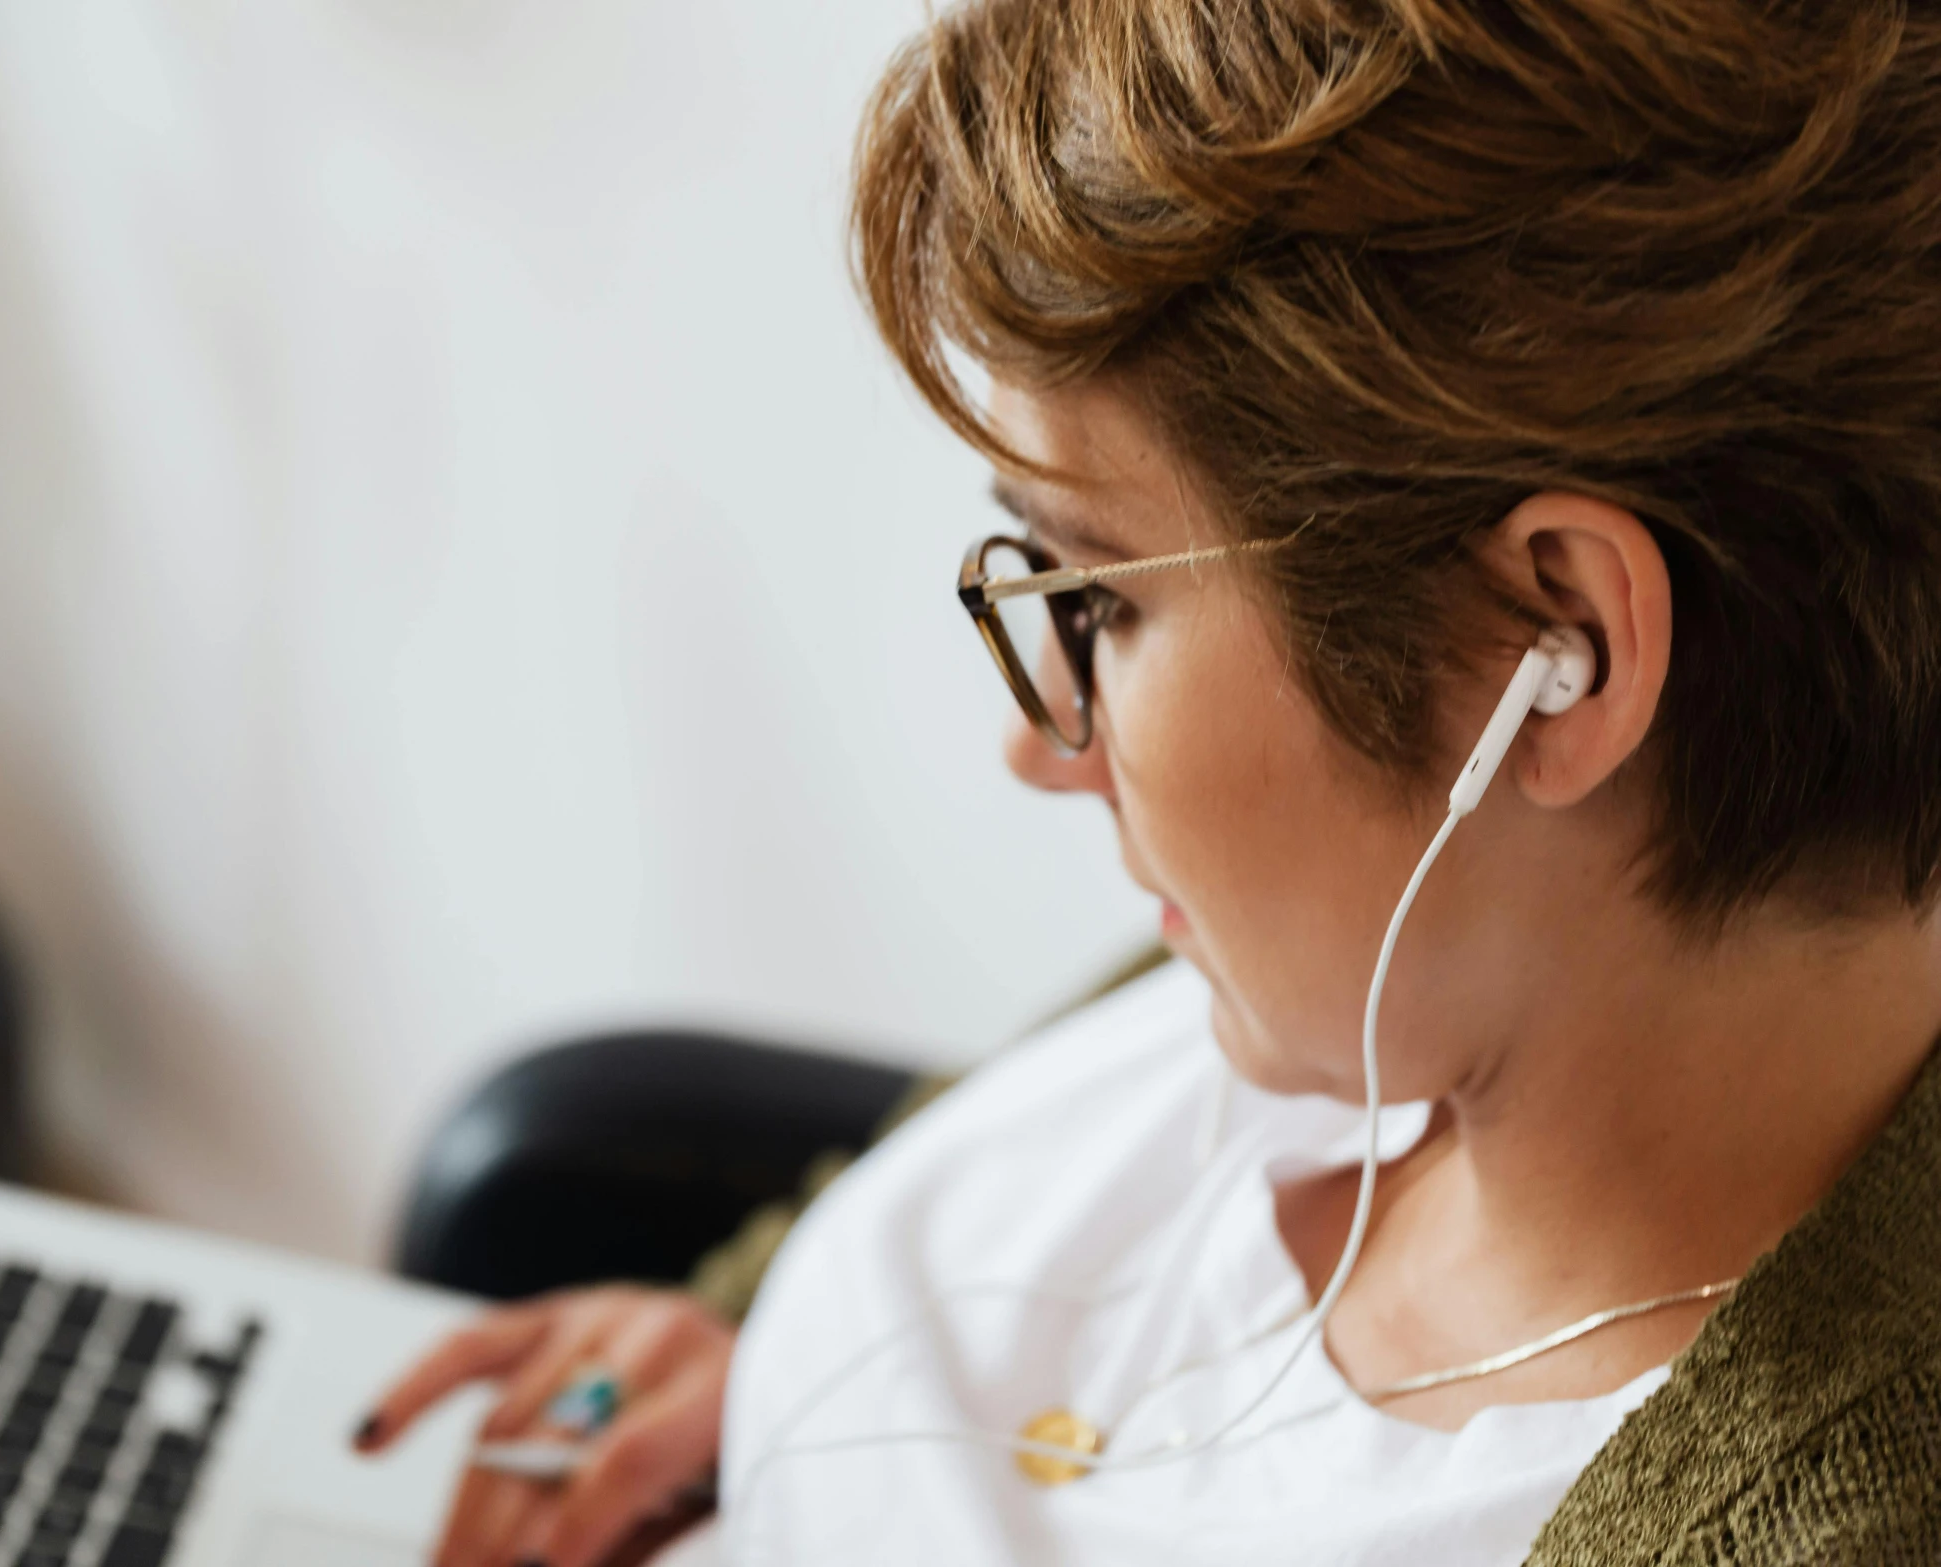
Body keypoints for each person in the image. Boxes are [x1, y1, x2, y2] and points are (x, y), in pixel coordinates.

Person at [355, 0, 1941, 1561]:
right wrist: (752, 1350)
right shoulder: (1407, 953)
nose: (1046, 736)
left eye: (1095, 595)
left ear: (1555, 647)